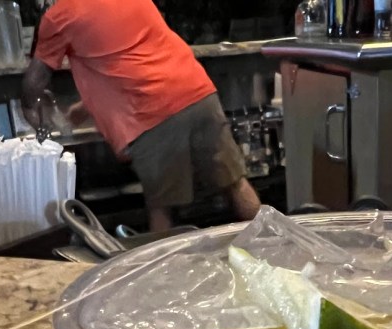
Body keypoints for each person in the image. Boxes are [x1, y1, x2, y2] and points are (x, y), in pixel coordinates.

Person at [21, 0, 261, 233]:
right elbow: (132, 56)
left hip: (153, 113)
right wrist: (85, 108)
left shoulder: (60, 16)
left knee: (163, 209)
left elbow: (34, 83)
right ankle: (272, 240)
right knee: (235, 183)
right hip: (197, 93)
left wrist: (34, 116)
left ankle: (164, 262)